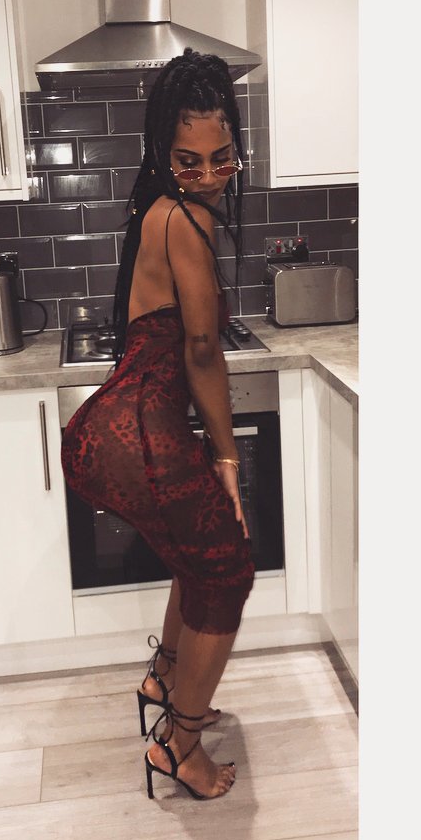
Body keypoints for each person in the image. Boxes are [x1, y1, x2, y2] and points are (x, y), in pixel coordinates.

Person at [60, 48, 255, 801]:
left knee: (199, 563)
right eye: (187, 161)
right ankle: (179, 746)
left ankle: (165, 682)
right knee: (227, 572)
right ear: (161, 155)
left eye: (221, 158)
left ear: (236, 146)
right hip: (139, 434)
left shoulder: (160, 212)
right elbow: (201, 348)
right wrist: (227, 459)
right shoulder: (182, 219)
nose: (207, 175)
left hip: (126, 428)